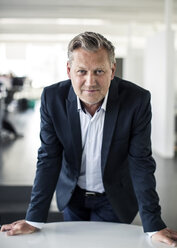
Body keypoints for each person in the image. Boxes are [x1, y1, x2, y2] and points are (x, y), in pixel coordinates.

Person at [1, 32, 177, 246]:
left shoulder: (137, 101)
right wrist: (33, 219)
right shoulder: (52, 98)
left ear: (112, 70)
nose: (90, 81)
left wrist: (154, 225)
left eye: (99, 71)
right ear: (69, 71)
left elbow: (141, 163)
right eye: (81, 71)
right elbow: (48, 158)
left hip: (115, 198)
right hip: (72, 196)